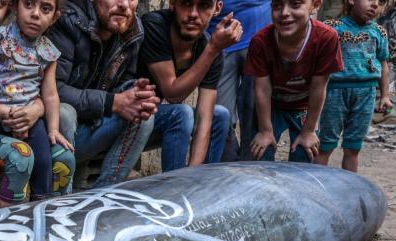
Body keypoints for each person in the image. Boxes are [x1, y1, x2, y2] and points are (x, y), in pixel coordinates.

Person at [0, 0, 76, 215]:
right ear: (15, 8)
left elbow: (50, 95)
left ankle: (41, 207)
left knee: (43, 157)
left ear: (54, 18)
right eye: (28, 5)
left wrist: (53, 129)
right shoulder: (0, 36)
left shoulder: (49, 53)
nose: (36, 14)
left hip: (25, 118)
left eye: (46, 9)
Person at [48, 0, 160, 188]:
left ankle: (103, 196)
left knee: (142, 112)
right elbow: (53, 89)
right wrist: (112, 102)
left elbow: (124, 80)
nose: (124, 4)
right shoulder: (69, 20)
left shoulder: (133, 29)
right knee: (65, 113)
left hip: (91, 126)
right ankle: (58, 197)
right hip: (51, 135)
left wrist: (134, 93)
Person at [138, 0, 242, 172]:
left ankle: (198, 182)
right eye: (186, 3)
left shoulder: (208, 48)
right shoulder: (154, 24)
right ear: (173, 3)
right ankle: (173, 184)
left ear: (217, 9)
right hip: (127, 118)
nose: (193, 14)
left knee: (220, 115)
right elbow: (172, 94)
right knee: (181, 114)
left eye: (204, 6)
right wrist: (212, 49)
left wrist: (191, 175)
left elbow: (205, 119)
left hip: (153, 120)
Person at [246, 0, 343, 162]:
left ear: (315, 5)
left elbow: (318, 87)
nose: (284, 13)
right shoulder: (260, 41)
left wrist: (309, 131)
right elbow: (262, 89)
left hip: (304, 106)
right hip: (272, 104)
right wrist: (265, 130)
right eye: (277, 6)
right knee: (262, 151)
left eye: (295, 4)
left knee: (305, 153)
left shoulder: (326, 38)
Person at [317, 0, 392, 172]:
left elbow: (383, 63)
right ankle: (317, 184)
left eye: (380, 2)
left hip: (366, 94)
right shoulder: (332, 28)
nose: (375, 4)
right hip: (334, 92)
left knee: (353, 147)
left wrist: (385, 96)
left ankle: (349, 185)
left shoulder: (379, 32)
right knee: (325, 145)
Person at [208, 0, 271, 161]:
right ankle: (227, 166)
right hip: (219, 41)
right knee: (220, 114)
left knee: (255, 109)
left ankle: (250, 166)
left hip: (259, 38)